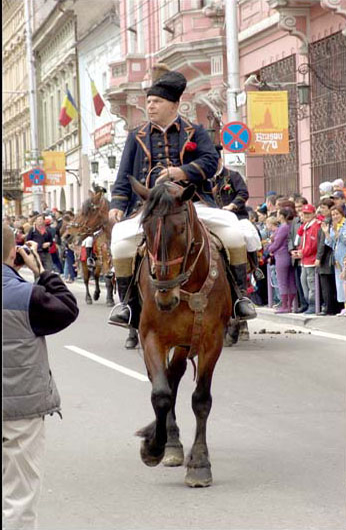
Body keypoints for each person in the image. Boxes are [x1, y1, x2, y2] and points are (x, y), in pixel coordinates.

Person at [108, 66, 256, 335]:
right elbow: (124, 175)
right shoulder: (135, 136)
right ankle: (128, 307)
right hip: (150, 208)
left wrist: (181, 172)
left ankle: (239, 300)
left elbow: (211, 162)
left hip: (194, 202)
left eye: (156, 102)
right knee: (119, 244)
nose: (150, 107)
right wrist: (117, 205)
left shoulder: (195, 132)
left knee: (235, 234)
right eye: (149, 102)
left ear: (174, 104)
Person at [3, 224, 79, 529]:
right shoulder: (29, 295)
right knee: (19, 497)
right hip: (22, 410)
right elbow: (67, 308)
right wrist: (42, 272)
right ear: (13, 251)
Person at [268, 207, 297, 313]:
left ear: (281, 216)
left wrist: (269, 248)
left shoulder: (283, 227)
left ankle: (285, 305)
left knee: (282, 282)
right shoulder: (287, 226)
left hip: (281, 256)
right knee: (290, 280)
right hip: (286, 256)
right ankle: (289, 304)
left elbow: (277, 243)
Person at [294, 204, 321, 314]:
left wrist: (302, 252)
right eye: (304, 214)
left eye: (308, 213)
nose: (306, 216)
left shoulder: (315, 226)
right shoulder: (306, 225)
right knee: (304, 283)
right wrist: (300, 251)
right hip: (304, 260)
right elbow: (300, 235)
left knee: (311, 284)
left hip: (311, 260)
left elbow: (313, 244)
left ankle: (313, 305)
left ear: (313, 213)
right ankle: (309, 303)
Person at [315, 198, 340, 315]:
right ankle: (332, 307)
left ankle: (330, 308)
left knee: (327, 285)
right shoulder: (325, 221)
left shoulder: (329, 222)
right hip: (329, 257)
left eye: (324, 208)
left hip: (327, 258)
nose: (321, 210)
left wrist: (318, 257)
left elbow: (323, 243)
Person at [322, 205, 346, 316]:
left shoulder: (344, 225)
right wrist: (327, 232)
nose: (335, 216)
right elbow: (331, 244)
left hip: (344, 257)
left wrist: (337, 233)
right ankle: (344, 306)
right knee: (341, 283)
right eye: (333, 215)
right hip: (337, 259)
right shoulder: (333, 227)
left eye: (337, 214)